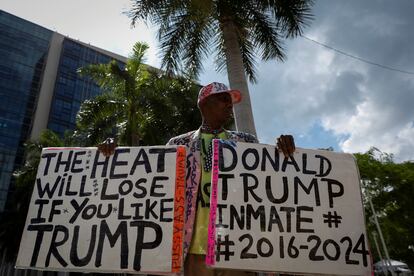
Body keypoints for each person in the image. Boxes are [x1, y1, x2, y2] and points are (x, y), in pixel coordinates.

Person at [98, 82, 295, 275]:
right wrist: (115, 155)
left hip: (238, 246)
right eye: (223, 99)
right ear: (204, 104)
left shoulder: (247, 142)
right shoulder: (177, 144)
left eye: (230, 101)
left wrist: (283, 150)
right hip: (194, 248)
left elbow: (268, 182)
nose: (229, 105)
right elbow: (147, 183)